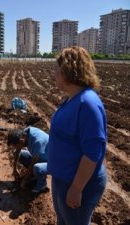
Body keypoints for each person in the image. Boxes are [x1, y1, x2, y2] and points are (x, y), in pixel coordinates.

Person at [48, 46, 107, 225]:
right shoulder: (70, 99)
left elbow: (93, 152)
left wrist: (76, 188)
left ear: (68, 71)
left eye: (57, 69)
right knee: (63, 221)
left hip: (78, 183)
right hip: (62, 177)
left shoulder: (88, 103)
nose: (54, 73)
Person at [7, 126, 49, 193]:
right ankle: (34, 175)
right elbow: (17, 151)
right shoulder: (25, 133)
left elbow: (33, 163)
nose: (16, 148)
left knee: (37, 167)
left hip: (53, 163)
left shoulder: (38, 142)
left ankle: (42, 184)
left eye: (15, 145)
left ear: (21, 141)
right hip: (40, 157)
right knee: (17, 153)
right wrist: (15, 169)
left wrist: (25, 180)